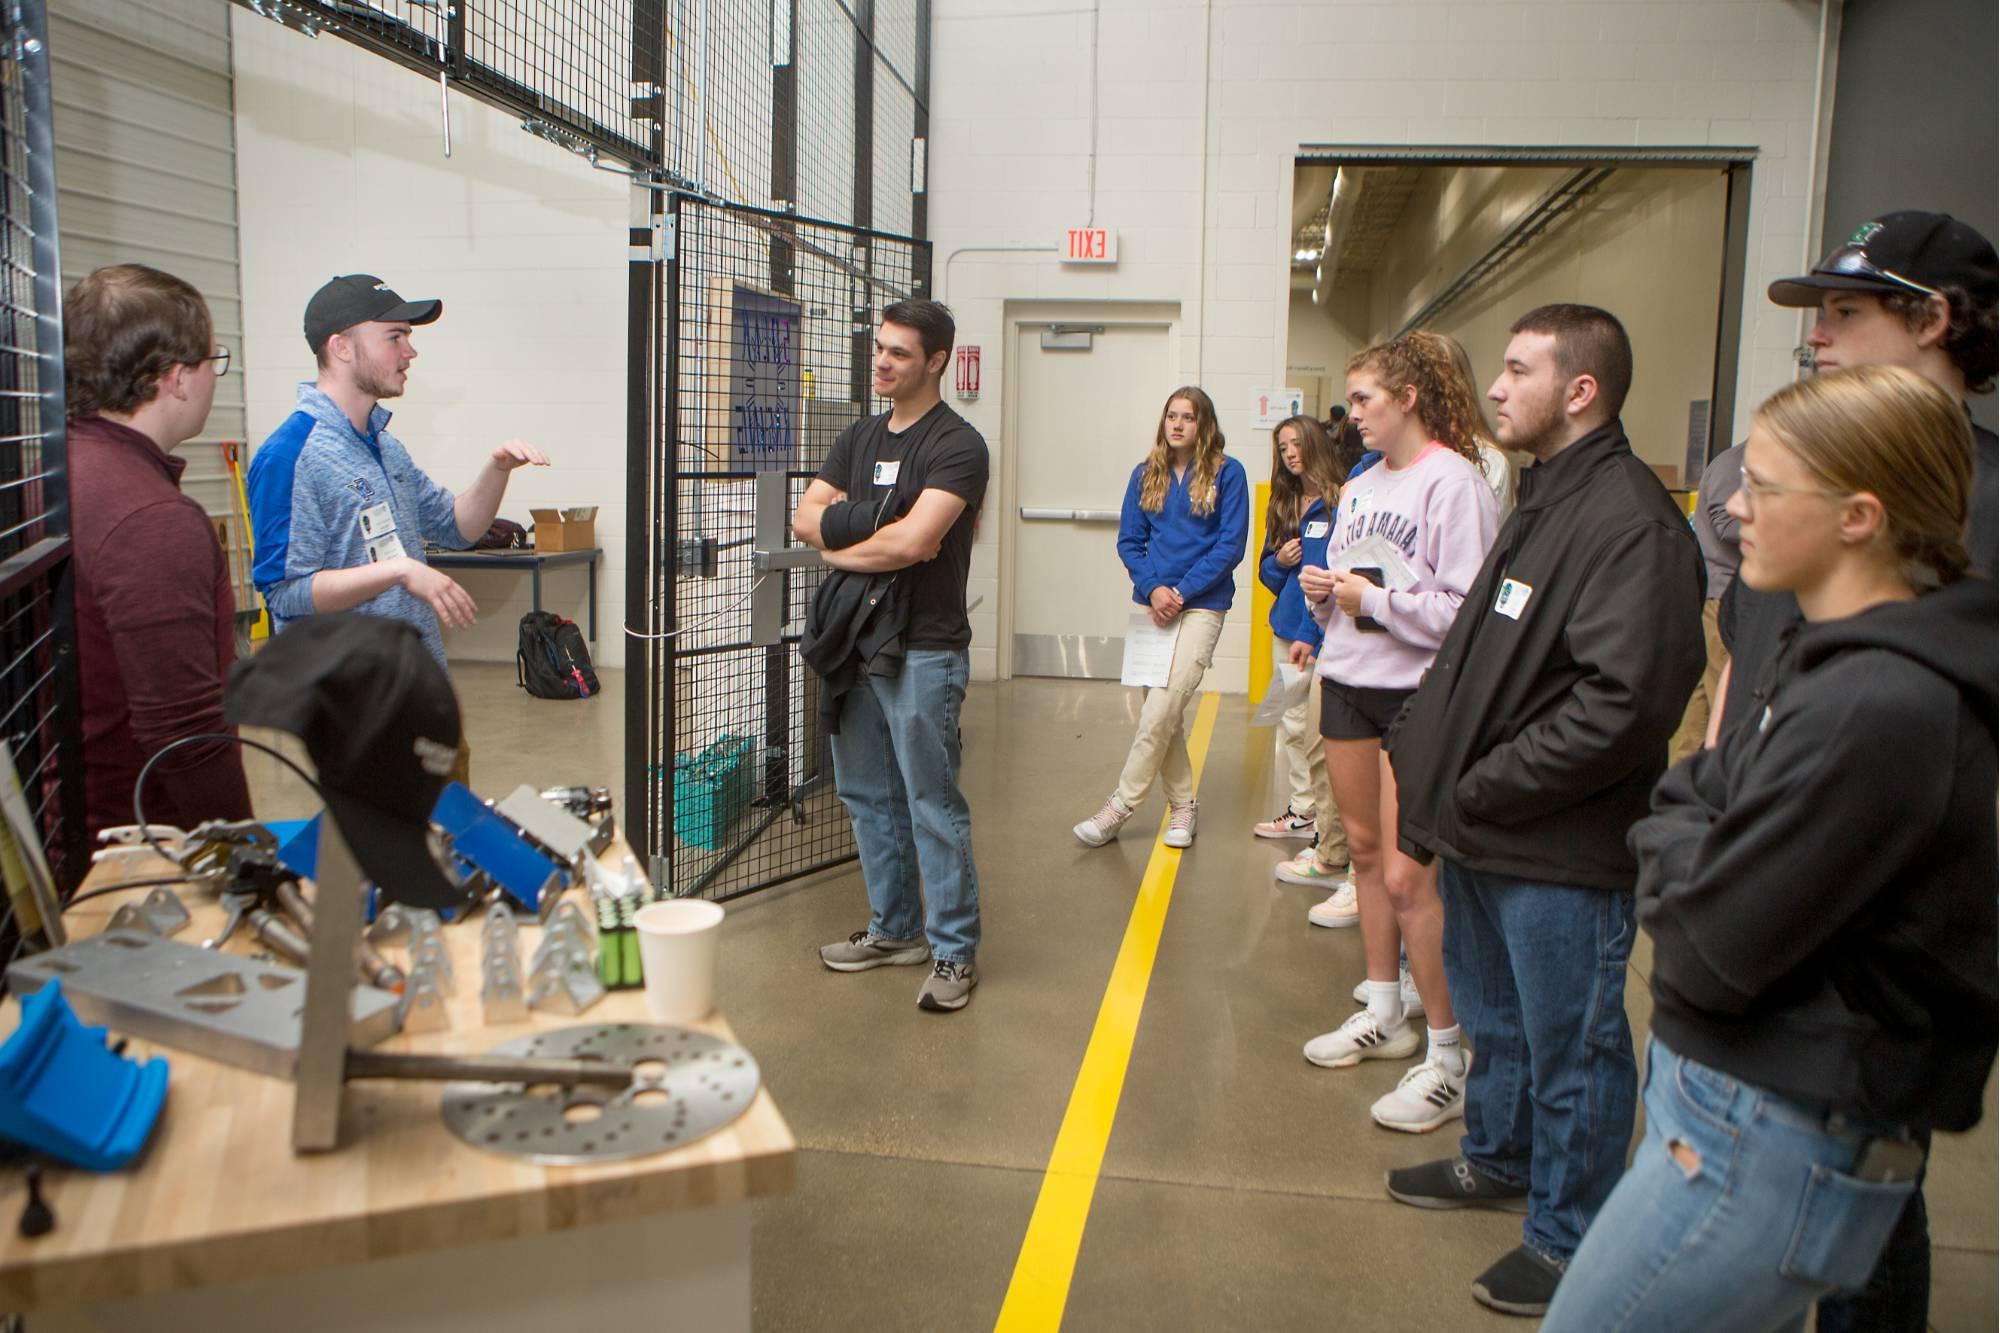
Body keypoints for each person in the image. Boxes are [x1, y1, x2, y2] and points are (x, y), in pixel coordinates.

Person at [1543, 365, 1998, 1333]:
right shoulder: (1824, 655)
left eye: (1765, 486)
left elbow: (1707, 946)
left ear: (1857, 516)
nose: (1732, 507)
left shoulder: (1878, 703)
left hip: (1764, 1133)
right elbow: (1687, 797)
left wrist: (1682, 843)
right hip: (1734, 1111)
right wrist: (1689, 833)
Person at [1383, 304, 1705, 1316]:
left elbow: (1623, 704)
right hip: (1487, 832)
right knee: (1499, 1027)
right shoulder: (1543, 494)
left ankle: (1570, 1237)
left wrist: (1482, 781)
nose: (1492, 387)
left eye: (1516, 370)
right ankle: (1497, 1157)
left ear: (1578, 391)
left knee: (1573, 1046)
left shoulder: (1627, 523)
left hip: (1555, 846)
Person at [1711, 210, 1998, 1333]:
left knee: (1863, 1187)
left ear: (1930, 321)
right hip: (1764, 865)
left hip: (1882, 917)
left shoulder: (1982, 503)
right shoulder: (1802, 478)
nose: (1816, 337)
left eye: (1844, 312)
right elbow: (1749, 648)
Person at [1295, 334, 1499, 1136]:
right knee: (1366, 855)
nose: (1355, 417)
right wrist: (1326, 597)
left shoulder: (1455, 484)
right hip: (1349, 682)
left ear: (1409, 398)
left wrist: (1373, 602)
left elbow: (1465, 613)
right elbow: (1352, 589)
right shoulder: (1357, 485)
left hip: (1418, 696)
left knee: (1413, 878)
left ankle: (1449, 1054)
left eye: (1368, 401)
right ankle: (1386, 1010)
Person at [246, 274, 548, 782]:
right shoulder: (290, 456)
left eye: (409, 337)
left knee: (446, 847)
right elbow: (285, 593)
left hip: (421, 697)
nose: (410, 352)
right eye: (395, 337)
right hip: (359, 714)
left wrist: (496, 470)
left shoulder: (386, 446)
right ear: (340, 347)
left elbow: (457, 527)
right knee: (389, 856)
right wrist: (398, 572)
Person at [795, 299, 990, 1013]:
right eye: (880, 348)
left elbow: (917, 544)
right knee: (866, 796)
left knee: (931, 804)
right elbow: (804, 517)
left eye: (900, 353)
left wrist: (843, 539)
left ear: (935, 361)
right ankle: (895, 929)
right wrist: (874, 525)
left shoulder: (958, 445)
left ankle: (953, 951)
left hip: (925, 648)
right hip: (855, 643)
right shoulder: (857, 437)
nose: (882, 361)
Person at [64, 265, 253, 842]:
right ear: (176, 377)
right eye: (212, 360)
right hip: (142, 844)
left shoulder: (56, 473)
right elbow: (185, 733)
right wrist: (246, 852)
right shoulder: (152, 521)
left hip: (71, 819)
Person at [1072, 387, 1248, 850]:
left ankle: (1119, 807)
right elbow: (1129, 541)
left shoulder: (1229, 474)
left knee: (1162, 708)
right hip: (1153, 605)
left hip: (1204, 605)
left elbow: (1230, 546)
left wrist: (1183, 590)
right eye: (1171, 416)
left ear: (1203, 425)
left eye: (1188, 417)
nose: (1177, 425)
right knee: (1163, 714)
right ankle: (1184, 807)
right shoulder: (1144, 473)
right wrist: (1154, 589)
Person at [1252, 414, 1348, 876]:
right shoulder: (1284, 503)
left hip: (1327, 634)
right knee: (1289, 725)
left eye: (1296, 444)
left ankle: (1326, 826)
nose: (1290, 453)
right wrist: (1279, 560)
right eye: (1282, 447)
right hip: (1288, 627)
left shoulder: (1342, 500)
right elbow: (1266, 575)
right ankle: (1303, 808)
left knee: (1319, 734)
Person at [1669, 440, 1744, 761]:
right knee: (1722, 703)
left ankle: (1680, 773)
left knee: (1700, 699)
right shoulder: (1733, 464)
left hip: (1722, 594)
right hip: (1723, 595)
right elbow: (1726, 524)